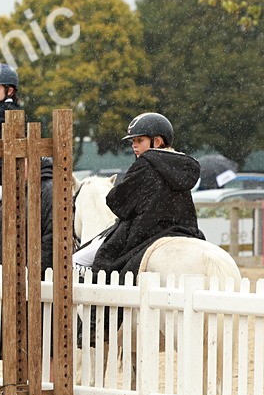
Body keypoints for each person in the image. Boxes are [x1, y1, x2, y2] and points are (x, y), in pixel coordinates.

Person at [81, 112, 203, 278]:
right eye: (133, 141)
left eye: (140, 140)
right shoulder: (180, 166)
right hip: (185, 231)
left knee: (81, 262)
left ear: (158, 141)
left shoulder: (145, 165)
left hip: (144, 234)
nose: (134, 145)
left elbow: (117, 203)